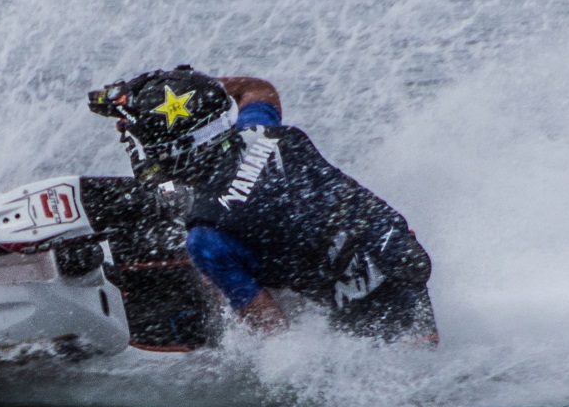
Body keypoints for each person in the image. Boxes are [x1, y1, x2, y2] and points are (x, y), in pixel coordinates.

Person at [86, 66, 437, 343]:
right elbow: (258, 89)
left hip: (374, 317)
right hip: (397, 254)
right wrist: (176, 91)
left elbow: (274, 332)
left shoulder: (206, 237)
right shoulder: (263, 132)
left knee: (215, 263)